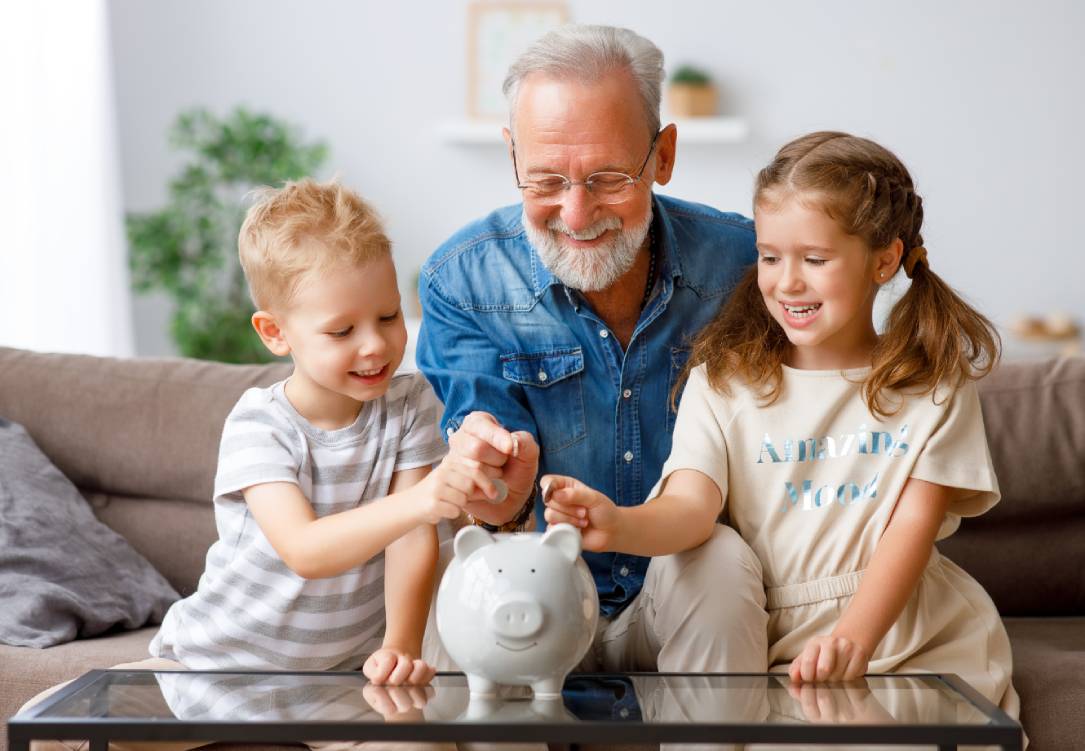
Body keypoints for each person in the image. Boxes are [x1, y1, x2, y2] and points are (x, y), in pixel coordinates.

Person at [544, 131, 1022, 724]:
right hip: (770, 645)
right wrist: (618, 523)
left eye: (814, 260)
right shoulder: (724, 382)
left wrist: (854, 638)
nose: (787, 281)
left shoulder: (931, 385)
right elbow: (692, 510)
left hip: (904, 638)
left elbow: (912, 528)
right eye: (770, 256)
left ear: (884, 259)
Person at [417, 24, 768, 676]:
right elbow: (490, 493)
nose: (576, 216)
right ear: (511, 156)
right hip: (536, 582)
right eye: (546, 179)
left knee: (719, 558)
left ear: (662, 156)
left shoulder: (745, 265)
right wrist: (503, 495)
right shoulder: (460, 280)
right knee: (458, 579)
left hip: (681, 582)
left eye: (607, 178)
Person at [145, 178, 493, 684]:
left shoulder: (412, 405)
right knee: (59, 731)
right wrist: (425, 500)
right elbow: (305, 550)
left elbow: (411, 539)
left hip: (342, 678)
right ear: (275, 333)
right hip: (218, 667)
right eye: (341, 331)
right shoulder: (258, 424)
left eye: (389, 315)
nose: (375, 345)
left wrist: (399, 648)